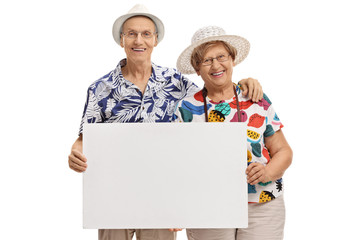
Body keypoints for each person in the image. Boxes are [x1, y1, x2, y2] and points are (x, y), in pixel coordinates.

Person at [68, 4, 263, 240]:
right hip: (113, 196)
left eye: (146, 34)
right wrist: (76, 153)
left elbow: (213, 93)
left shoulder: (175, 82)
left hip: (161, 196)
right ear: (121, 40)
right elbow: (84, 139)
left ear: (155, 40)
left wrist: (244, 82)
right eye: (131, 33)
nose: (138, 40)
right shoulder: (100, 88)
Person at [172, 26, 293, 240]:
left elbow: (283, 151)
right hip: (208, 204)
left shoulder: (257, 98)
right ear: (197, 69)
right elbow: (177, 163)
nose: (216, 65)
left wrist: (267, 172)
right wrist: (177, 206)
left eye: (221, 57)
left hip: (262, 202)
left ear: (232, 60)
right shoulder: (186, 108)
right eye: (207, 60)